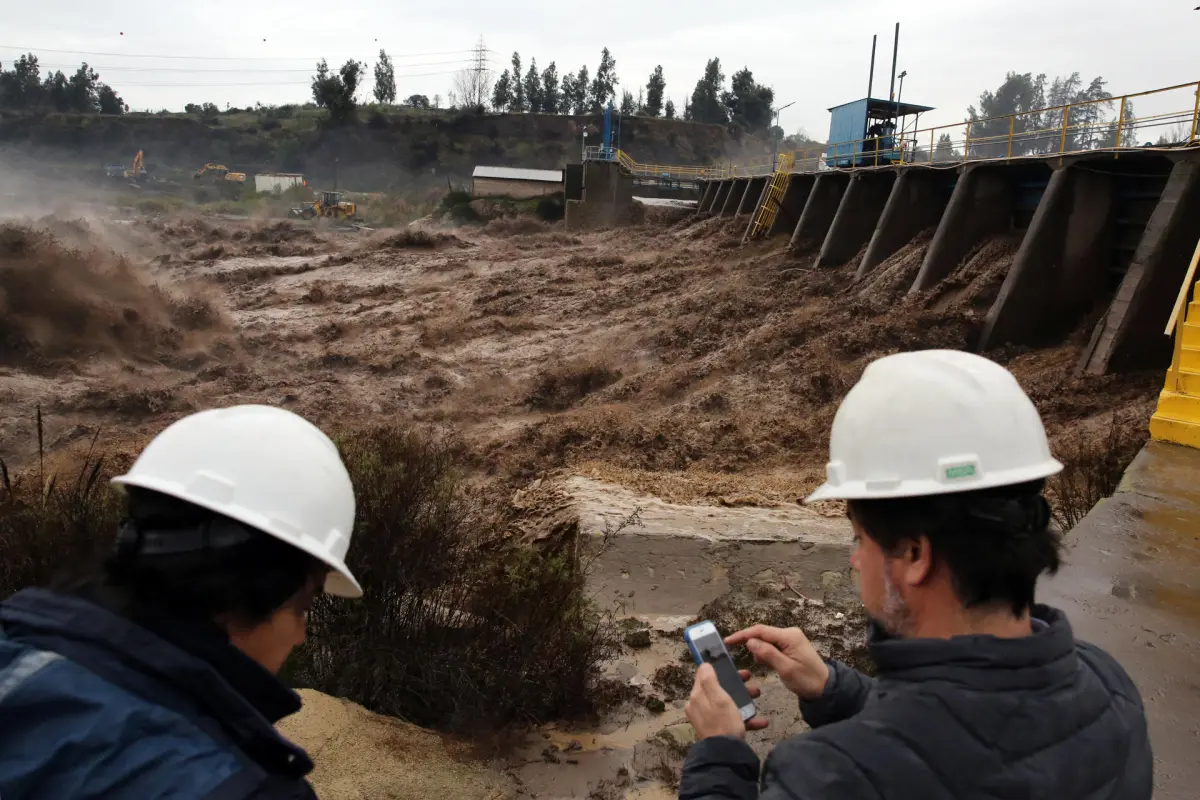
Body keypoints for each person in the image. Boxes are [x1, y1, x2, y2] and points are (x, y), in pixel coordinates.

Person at [679, 350, 1153, 799]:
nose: (855, 561)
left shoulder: (828, 776)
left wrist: (720, 754)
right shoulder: (1108, 687)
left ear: (913, 554)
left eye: (859, 539)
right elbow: (969, 742)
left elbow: (930, 752)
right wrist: (836, 691)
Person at [0, 405, 361, 799]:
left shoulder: (14, 652)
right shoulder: (244, 788)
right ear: (254, 592)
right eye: (303, 608)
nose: (301, 637)